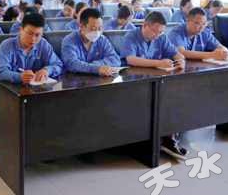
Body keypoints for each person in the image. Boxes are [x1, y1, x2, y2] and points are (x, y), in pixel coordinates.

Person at [121, 11, 187, 159]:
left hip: (156, 81)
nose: (158, 35)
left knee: (175, 97)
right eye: (155, 31)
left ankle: (168, 138)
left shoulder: (161, 37)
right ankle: (164, 139)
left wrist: (180, 60)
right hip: (134, 83)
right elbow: (131, 59)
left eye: (161, 32)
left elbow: (176, 53)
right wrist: (158, 63)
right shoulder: (131, 36)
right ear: (145, 25)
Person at [0, 12, 63, 88]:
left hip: (37, 90)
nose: (33, 39)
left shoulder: (43, 44)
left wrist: (47, 70)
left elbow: (58, 64)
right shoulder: (6, 45)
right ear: (21, 30)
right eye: (30, 33)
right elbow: (1, 72)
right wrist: (20, 76)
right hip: (11, 90)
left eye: (37, 35)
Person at [62, 8, 121, 75]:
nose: (97, 32)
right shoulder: (69, 41)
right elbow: (72, 64)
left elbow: (115, 59)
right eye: (93, 29)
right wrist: (96, 69)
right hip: (76, 79)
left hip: (100, 79)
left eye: (100, 28)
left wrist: (95, 65)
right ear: (81, 26)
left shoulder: (102, 39)